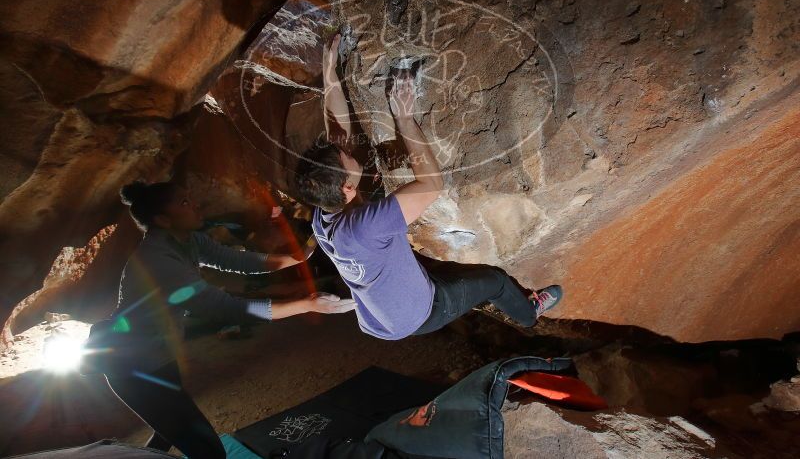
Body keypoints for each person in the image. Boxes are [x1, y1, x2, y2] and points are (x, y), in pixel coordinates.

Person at [293, 34, 562, 342]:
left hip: (381, 313)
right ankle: (529, 314)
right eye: (345, 159)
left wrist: (329, 71)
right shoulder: (365, 226)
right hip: (422, 313)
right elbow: (431, 184)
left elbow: (338, 131)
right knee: (495, 280)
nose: (346, 150)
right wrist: (404, 118)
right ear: (348, 188)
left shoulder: (325, 208)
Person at [101, 180, 355, 459]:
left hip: (159, 357)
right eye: (184, 203)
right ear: (162, 219)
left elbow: (235, 260)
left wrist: (296, 258)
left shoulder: (188, 240)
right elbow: (229, 309)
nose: (196, 204)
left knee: (168, 431)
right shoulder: (158, 261)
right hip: (133, 368)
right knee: (207, 450)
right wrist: (306, 304)